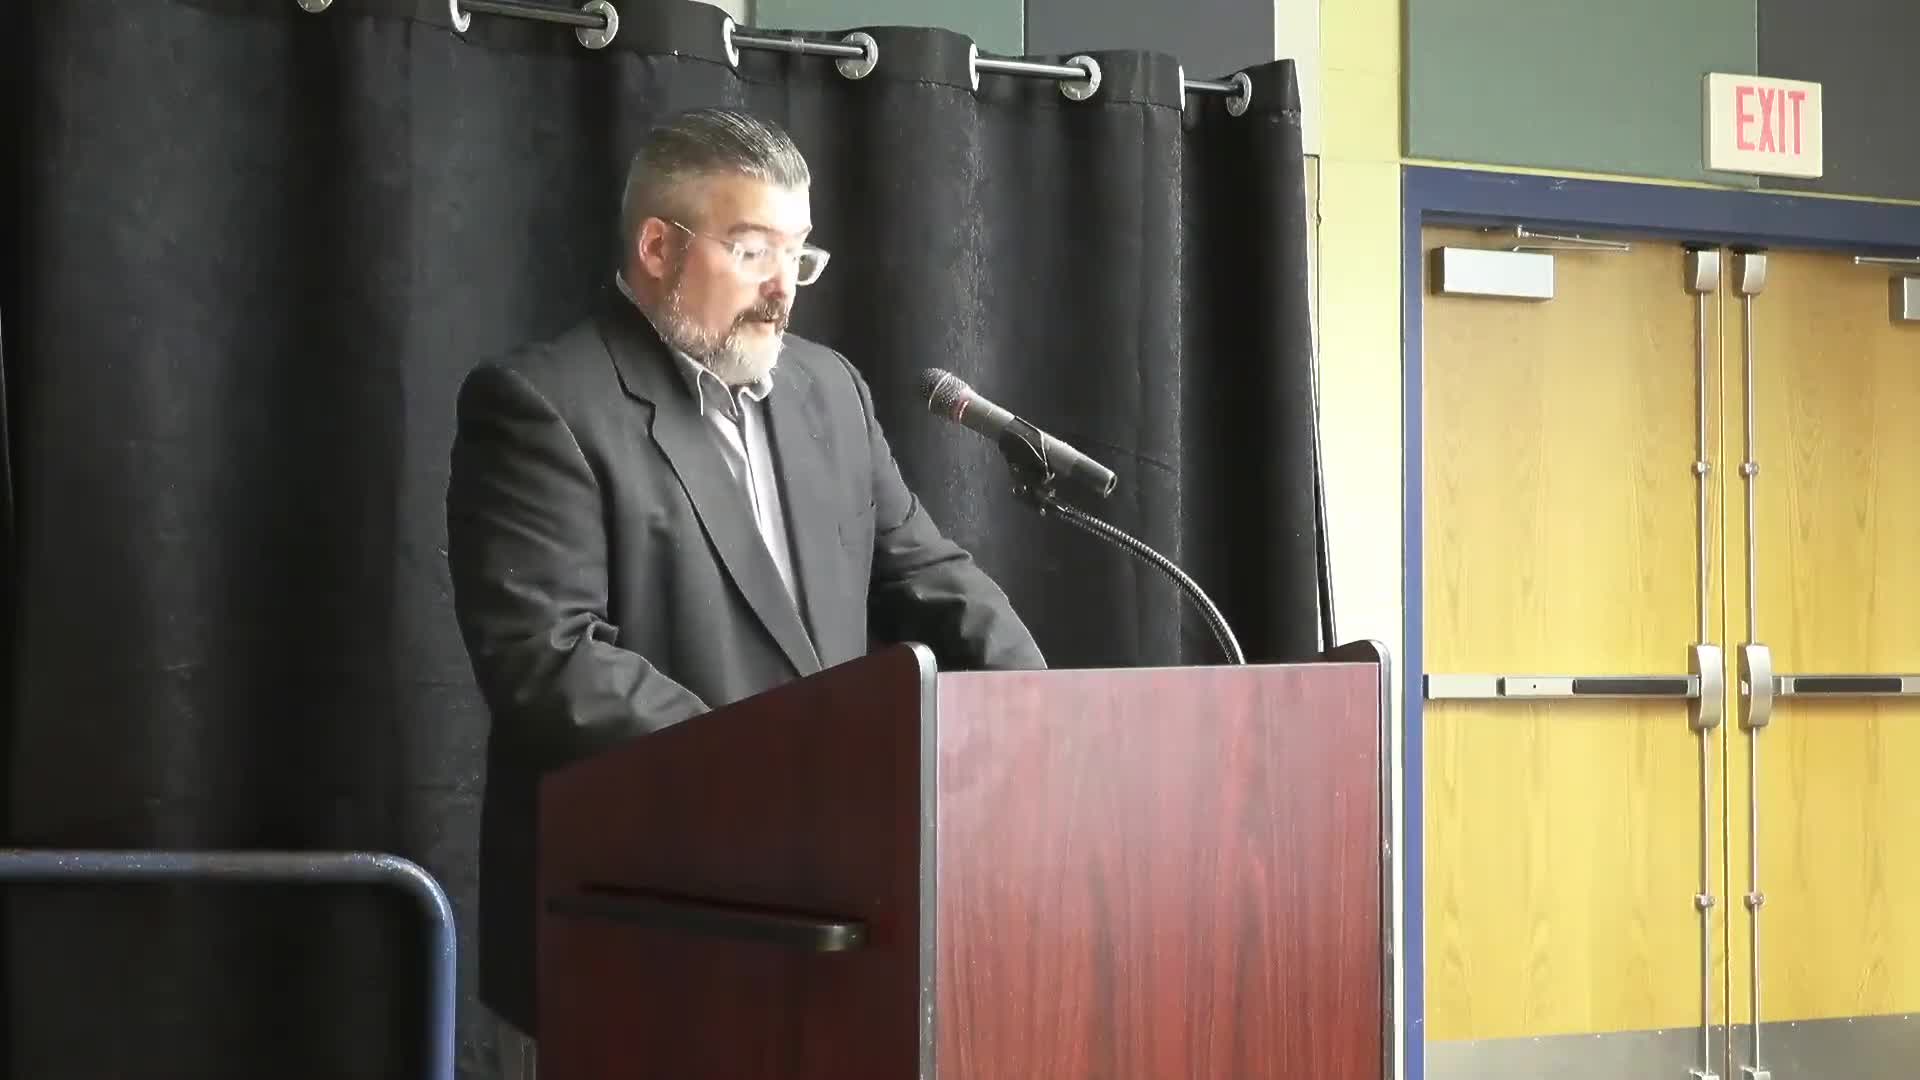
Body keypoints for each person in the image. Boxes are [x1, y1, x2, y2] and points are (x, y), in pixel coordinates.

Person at [444, 106, 1046, 1076]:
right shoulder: (542, 403)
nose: (783, 288)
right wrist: (777, 775)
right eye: (754, 250)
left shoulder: (829, 389)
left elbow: (926, 575)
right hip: (643, 921)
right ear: (657, 247)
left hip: (830, 918)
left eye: (799, 255)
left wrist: (1044, 722)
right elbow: (550, 659)